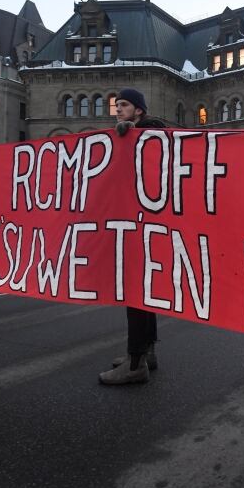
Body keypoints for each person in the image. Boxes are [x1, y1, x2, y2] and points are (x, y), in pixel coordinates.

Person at [98, 88, 167, 385]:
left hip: (144, 224)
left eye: (123, 105)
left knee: (136, 292)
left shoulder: (148, 132)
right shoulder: (130, 135)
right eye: (116, 105)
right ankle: (146, 353)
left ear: (139, 109)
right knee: (143, 291)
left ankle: (136, 362)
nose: (117, 110)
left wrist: (135, 133)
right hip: (137, 222)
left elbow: (158, 135)